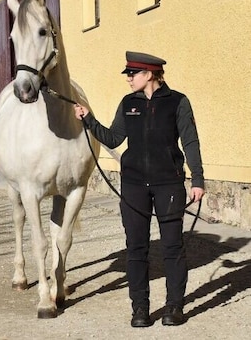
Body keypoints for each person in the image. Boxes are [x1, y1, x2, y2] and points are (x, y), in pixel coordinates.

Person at [74, 51, 205, 327]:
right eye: (128, 74)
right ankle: (140, 309)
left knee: (172, 246)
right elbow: (113, 137)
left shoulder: (177, 102)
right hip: (134, 185)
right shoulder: (128, 103)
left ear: (150, 74)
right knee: (136, 248)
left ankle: (174, 306)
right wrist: (88, 119)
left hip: (169, 184)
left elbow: (190, 142)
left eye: (133, 74)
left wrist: (198, 180)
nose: (129, 79)